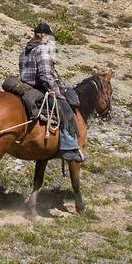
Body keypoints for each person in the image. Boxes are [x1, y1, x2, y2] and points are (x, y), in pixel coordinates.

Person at [18, 22, 83, 162]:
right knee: (67, 113)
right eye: (49, 36)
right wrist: (55, 91)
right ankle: (69, 148)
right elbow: (46, 75)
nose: (49, 39)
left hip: (25, 86)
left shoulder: (25, 50)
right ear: (44, 35)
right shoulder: (42, 49)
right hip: (40, 87)